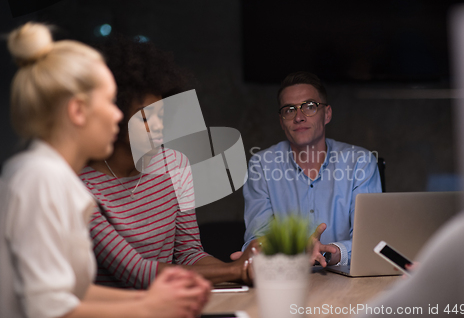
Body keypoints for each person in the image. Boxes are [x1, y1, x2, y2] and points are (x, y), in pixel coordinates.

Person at [0, 22, 210, 318]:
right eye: (110, 102)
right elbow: (45, 308)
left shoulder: (59, 179)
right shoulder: (39, 178)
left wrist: (160, 299)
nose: (117, 115)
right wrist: (150, 306)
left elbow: (75, 292)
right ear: (77, 111)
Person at [79, 35, 255, 289]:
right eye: (147, 118)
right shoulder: (80, 186)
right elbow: (137, 272)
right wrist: (237, 270)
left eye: (161, 114)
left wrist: (244, 271)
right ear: (115, 119)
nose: (160, 126)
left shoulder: (175, 165)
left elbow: (189, 254)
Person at [238, 71, 382, 266]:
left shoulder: (360, 162)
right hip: (284, 280)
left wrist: (327, 254)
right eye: (289, 110)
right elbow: (257, 238)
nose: (299, 117)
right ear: (281, 121)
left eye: (310, 107)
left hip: (345, 283)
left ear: (327, 114)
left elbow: (369, 240)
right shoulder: (261, 166)